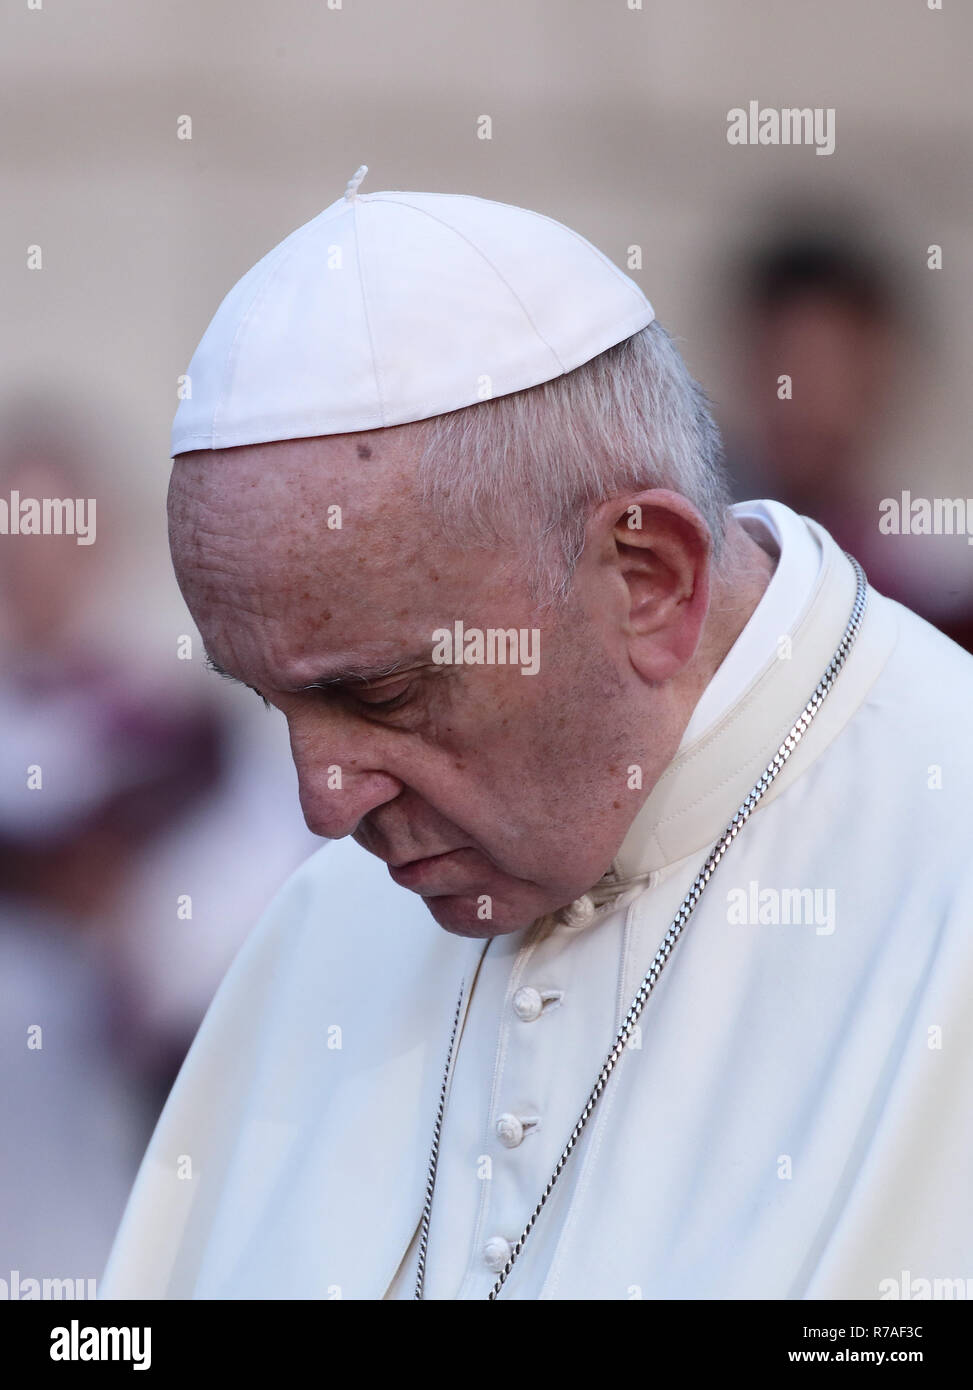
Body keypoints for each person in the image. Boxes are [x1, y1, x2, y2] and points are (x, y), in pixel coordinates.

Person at [100, 169, 973, 1301]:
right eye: (275, 704)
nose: (321, 805)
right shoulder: (328, 920)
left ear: (649, 578)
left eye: (382, 695)